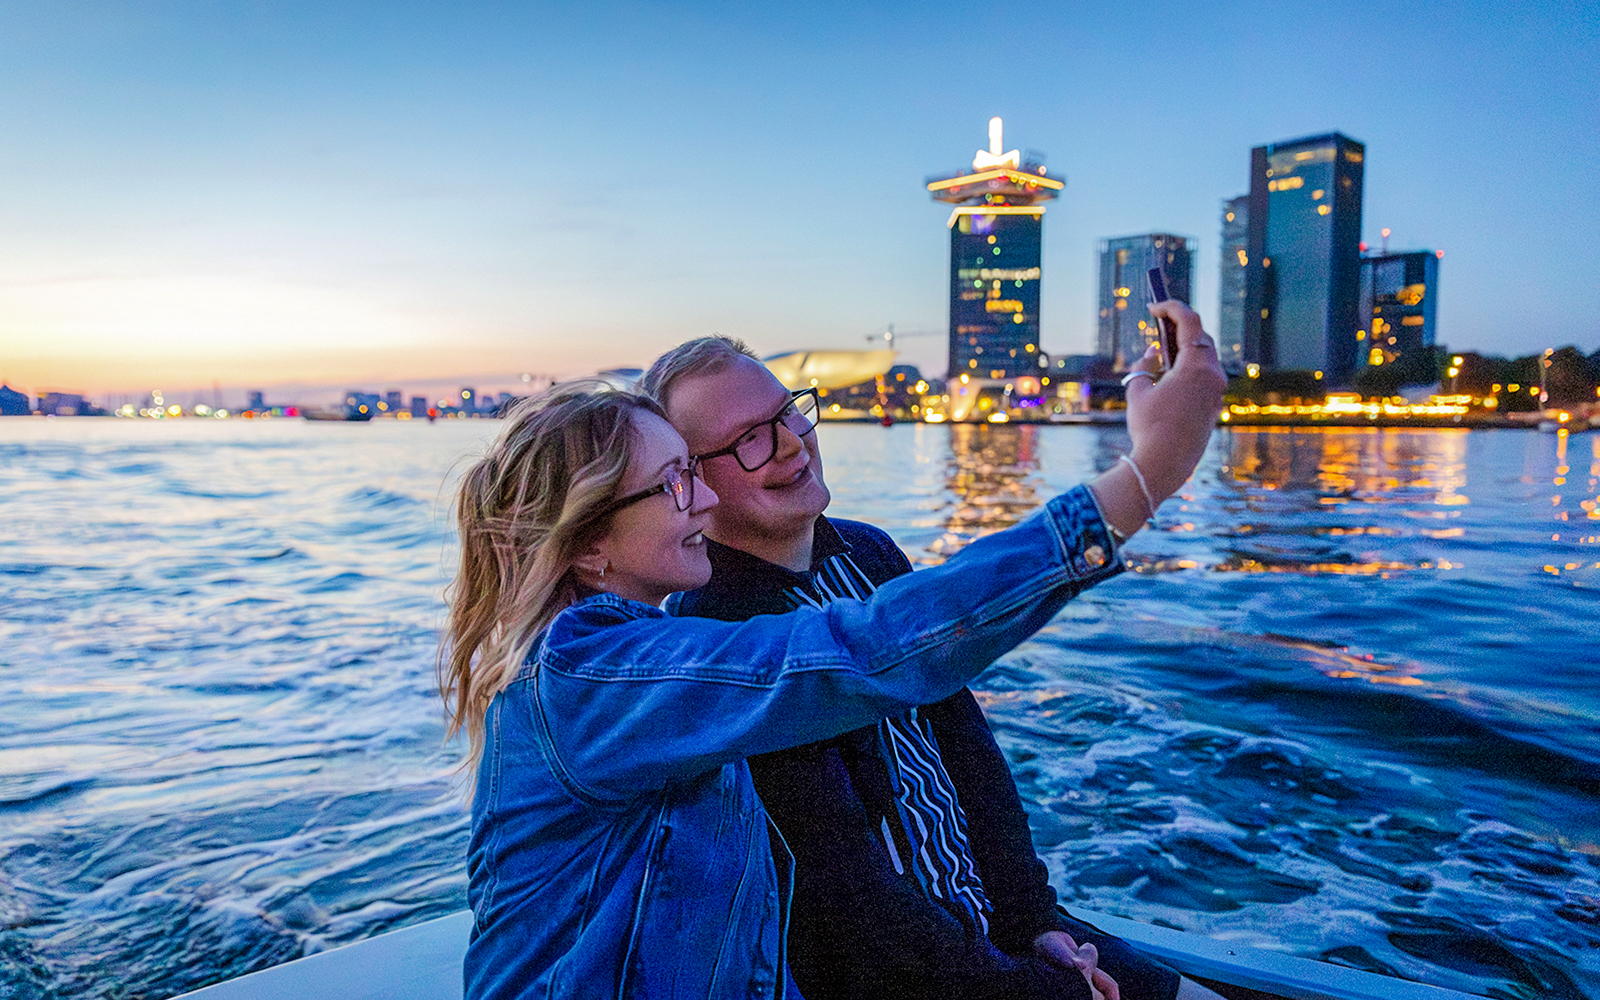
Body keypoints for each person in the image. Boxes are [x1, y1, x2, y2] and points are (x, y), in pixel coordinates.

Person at [439, 300, 1224, 1000]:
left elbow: (952, 757)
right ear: (588, 546)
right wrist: (1147, 475)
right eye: (678, 482)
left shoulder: (656, 653)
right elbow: (858, 659)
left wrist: (1028, 924)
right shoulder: (591, 678)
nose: (705, 499)